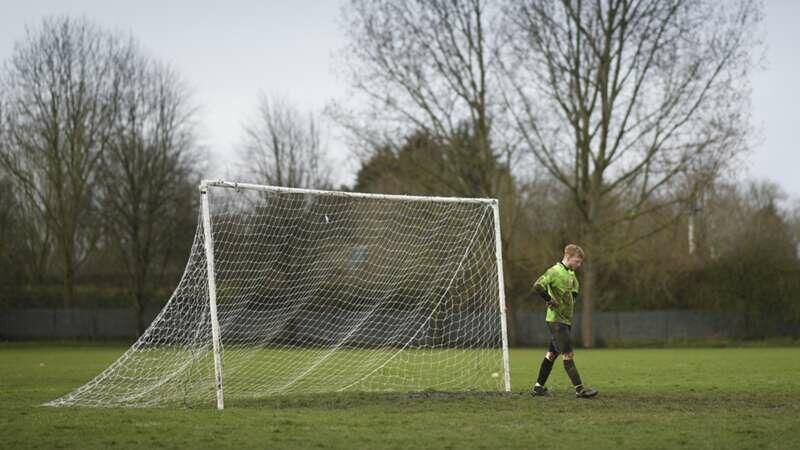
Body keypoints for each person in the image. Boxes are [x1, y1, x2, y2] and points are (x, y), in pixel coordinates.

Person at [530, 244, 598, 398]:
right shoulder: (554, 271)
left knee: (551, 354)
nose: (579, 265)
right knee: (568, 354)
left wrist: (568, 300)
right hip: (556, 321)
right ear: (568, 257)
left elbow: (573, 296)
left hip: (565, 321)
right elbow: (537, 286)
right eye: (577, 261)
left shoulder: (571, 275)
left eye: (580, 262)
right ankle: (580, 389)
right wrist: (549, 300)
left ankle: (538, 388)